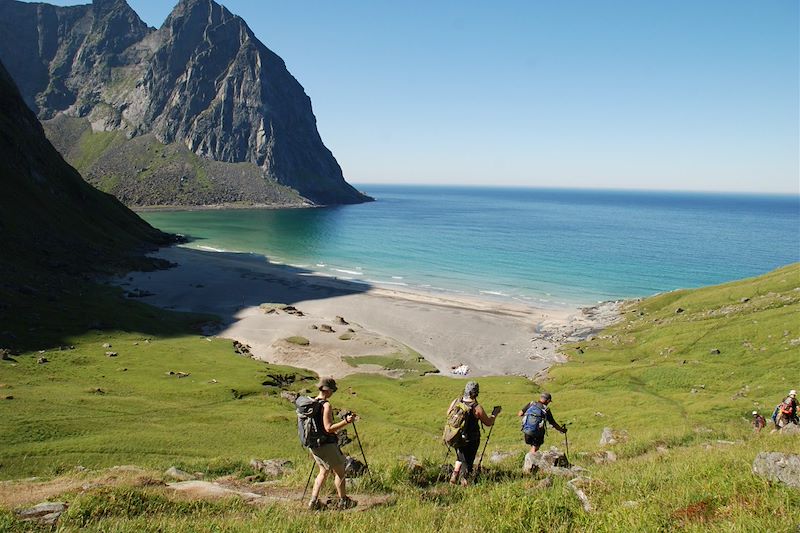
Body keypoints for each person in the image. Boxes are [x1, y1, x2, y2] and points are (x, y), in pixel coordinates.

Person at [307, 377, 357, 510]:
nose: (332, 393)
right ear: (327, 390)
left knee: (323, 471)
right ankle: (343, 501)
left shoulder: (311, 402)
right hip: (326, 444)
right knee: (340, 472)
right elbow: (328, 428)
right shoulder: (326, 405)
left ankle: (313, 501)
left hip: (313, 444)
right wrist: (346, 421)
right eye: (332, 391)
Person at [448, 381, 501, 485]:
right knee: (468, 462)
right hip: (471, 439)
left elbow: (448, 413)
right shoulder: (476, 407)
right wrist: (495, 414)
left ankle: (454, 476)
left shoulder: (456, 401)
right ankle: (465, 482)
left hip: (456, 435)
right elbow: (488, 422)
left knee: (460, 456)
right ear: (476, 393)